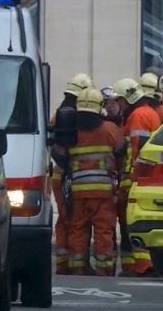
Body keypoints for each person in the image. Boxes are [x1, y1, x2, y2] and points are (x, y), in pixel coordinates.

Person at [52, 88, 126, 276]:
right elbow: (121, 156)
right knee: (104, 230)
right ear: (99, 107)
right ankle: (104, 269)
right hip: (104, 193)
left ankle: (78, 266)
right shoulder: (111, 130)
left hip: (77, 191)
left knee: (78, 228)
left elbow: (59, 157)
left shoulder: (71, 132)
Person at [112, 78, 162, 277]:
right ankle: (135, 265)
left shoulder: (138, 116)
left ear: (127, 99)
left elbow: (136, 150)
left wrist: (128, 180)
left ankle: (142, 266)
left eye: (120, 101)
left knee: (130, 223)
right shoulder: (150, 112)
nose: (119, 106)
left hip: (134, 178)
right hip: (146, 178)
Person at [51, 72, 93, 275]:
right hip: (72, 175)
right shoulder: (79, 118)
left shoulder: (57, 115)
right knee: (76, 221)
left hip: (59, 175)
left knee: (65, 220)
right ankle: (77, 264)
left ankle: (63, 263)